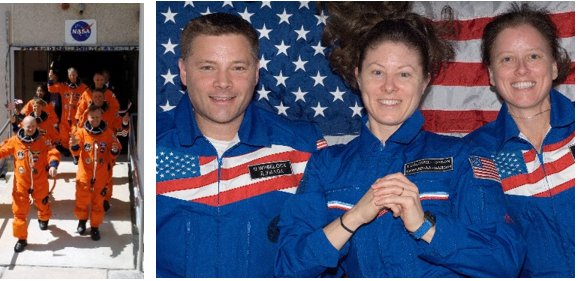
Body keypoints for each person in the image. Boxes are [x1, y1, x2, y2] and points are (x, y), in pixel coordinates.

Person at [275, 3, 524, 277]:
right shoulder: (327, 165)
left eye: (404, 74)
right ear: (358, 77)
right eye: (377, 72)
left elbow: (504, 261)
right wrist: (353, 217)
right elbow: (289, 268)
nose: (389, 86)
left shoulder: (463, 158)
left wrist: (425, 225)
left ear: (425, 81)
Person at [155, 13, 326, 278]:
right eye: (207, 67)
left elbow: (327, 254)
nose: (223, 83)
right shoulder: (151, 146)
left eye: (238, 67)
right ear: (184, 71)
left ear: (256, 73)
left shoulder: (302, 149)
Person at [463, 3, 575, 277]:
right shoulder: (475, 153)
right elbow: (481, 248)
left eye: (534, 56)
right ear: (491, 74)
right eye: (507, 59)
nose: (521, 70)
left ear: (553, 66)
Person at [0, 115, 61, 252]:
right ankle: (21, 239)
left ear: (37, 127)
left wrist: (53, 165)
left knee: (42, 203)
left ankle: (44, 218)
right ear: (22, 127)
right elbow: (3, 150)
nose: (30, 129)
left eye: (33, 126)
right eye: (27, 126)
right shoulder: (15, 141)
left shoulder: (42, 141)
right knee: (19, 212)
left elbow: (52, 152)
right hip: (21, 183)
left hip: (39, 181)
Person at [69, 105, 120, 240]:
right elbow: (75, 150)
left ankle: (95, 227)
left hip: (101, 174)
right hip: (85, 173)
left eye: (98, 117)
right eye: (92, 117)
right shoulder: (81, 133)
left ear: (101, 117)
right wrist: (73, 144)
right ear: (88, 117)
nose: (95, 120)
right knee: (82, 201)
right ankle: (82, 221)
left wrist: (114, 150)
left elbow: (114, 151)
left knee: (98, 203)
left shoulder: (108, 133)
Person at [48, 67, 88, 147]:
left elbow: (89, 99)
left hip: (76, 117)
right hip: (65, 117)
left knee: (76, 135)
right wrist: (51, 79)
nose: (72, 77)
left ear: (76, 75)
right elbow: (51, 89)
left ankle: (74, 151)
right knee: (64, 136)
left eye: (73, 75)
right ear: (68, 76)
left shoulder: (83, 87)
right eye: (70, 75)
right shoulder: (63, 86)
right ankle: (66, 149)